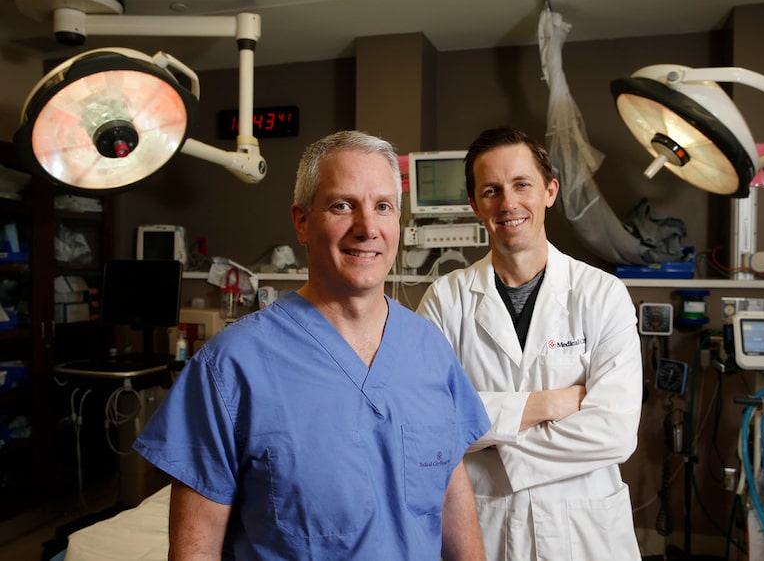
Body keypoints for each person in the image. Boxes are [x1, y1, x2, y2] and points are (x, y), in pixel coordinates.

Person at [134, 130, 491, 560]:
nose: (367, 228)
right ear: (302, 221)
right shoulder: (231, 367)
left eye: (383, 207)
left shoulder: (429, 351)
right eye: (343, 206)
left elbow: (452, 496)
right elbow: (196, 549)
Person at [417, 127, 643, 560]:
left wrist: (492, 442)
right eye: (491, 190)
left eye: (522, 184)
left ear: (550, 191)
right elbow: (429, 425)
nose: (508, 203)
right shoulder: (446, 300)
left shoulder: (602, 294)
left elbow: (614, 432)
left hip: (584, 531)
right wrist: (544, 406)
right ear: (474, 204)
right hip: (486, 526)